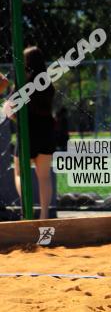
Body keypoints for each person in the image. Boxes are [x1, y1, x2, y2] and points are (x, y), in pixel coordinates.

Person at [0, 47, 56, 220]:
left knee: (19, 173)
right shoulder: (47, 85)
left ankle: (28, 211)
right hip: (46, 131)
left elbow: (8, 111)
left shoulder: (21, 86)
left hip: (27, 133)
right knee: (44, 176)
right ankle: (45, 215)